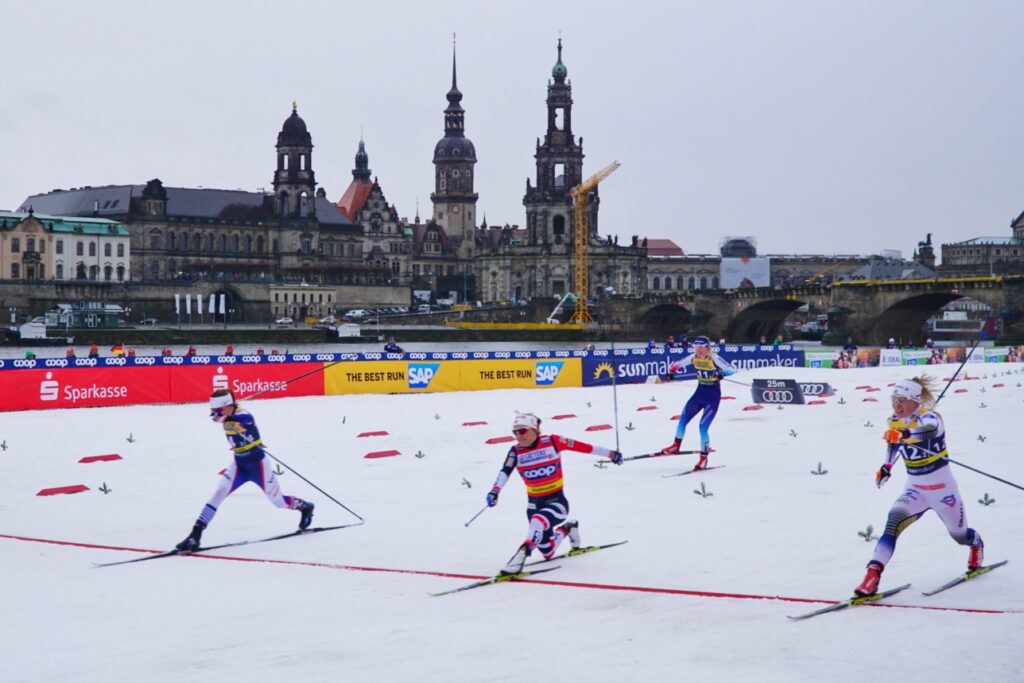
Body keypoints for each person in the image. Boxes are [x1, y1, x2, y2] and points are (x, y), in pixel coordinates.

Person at [853, 377, 985, 596]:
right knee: (892, 523)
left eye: (901, 400)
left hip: (944, 490)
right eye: (893, 400)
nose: (896, 405)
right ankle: (872, 575)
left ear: (915, 400)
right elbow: (894, 446)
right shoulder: (894, 420)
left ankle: (976, 544)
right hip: (915, 490)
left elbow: (928, 432)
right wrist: (886, 467)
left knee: (959, 535)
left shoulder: (931, 418)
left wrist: (905, 434)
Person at [175, 389, 316, 551]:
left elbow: (243, 420)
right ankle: (195, 535)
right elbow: (219, 418)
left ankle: (305, 507)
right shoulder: (225, 414)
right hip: (239, 464)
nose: (215, 414)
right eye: (214, 410)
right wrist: (222, 414)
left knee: (278, 502)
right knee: (219, 492)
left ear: (228, 405)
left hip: (258, 466)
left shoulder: (244, 415)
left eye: (218, 410)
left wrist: (227, 415)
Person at [485, 411, 622, 575]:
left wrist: (611, 454)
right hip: (534, 504)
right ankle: (568, 528)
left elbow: (584, 447)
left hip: (557, 502)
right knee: (547, 551)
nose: (518, 436)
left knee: (538, 521)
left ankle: (521, 555)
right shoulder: (515, 451)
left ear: (535, 429)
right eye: (515, 432)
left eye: (522, 431)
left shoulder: (553, 442)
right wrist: (495, 491)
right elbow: (505, 472)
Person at [658, 335, 736, 469]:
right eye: (696, 347)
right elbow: (678, 364)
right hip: (699, 394)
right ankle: (675, 445)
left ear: (707, 348)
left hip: (712, 397)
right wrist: (671, 372)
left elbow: (731, 370)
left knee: (703, 428)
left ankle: (704, 459)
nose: (698, 350)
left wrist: (721, 375)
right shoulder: (693, 357)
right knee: (683, 420)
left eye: (701, 347)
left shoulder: (714, 357)